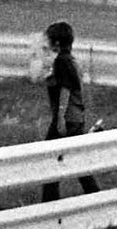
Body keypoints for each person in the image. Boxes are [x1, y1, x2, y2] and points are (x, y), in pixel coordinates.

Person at [41, 20, 101, 202]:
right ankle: (96, 198)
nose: (47, 43)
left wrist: (59, 119)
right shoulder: (72, 61)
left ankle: (49, 206)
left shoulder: (61, 61)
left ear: (57, 42)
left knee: (50, 162)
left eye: (49, 40)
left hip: (66, 117)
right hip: (76, 117)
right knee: (77, 162)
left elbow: (65, 90)